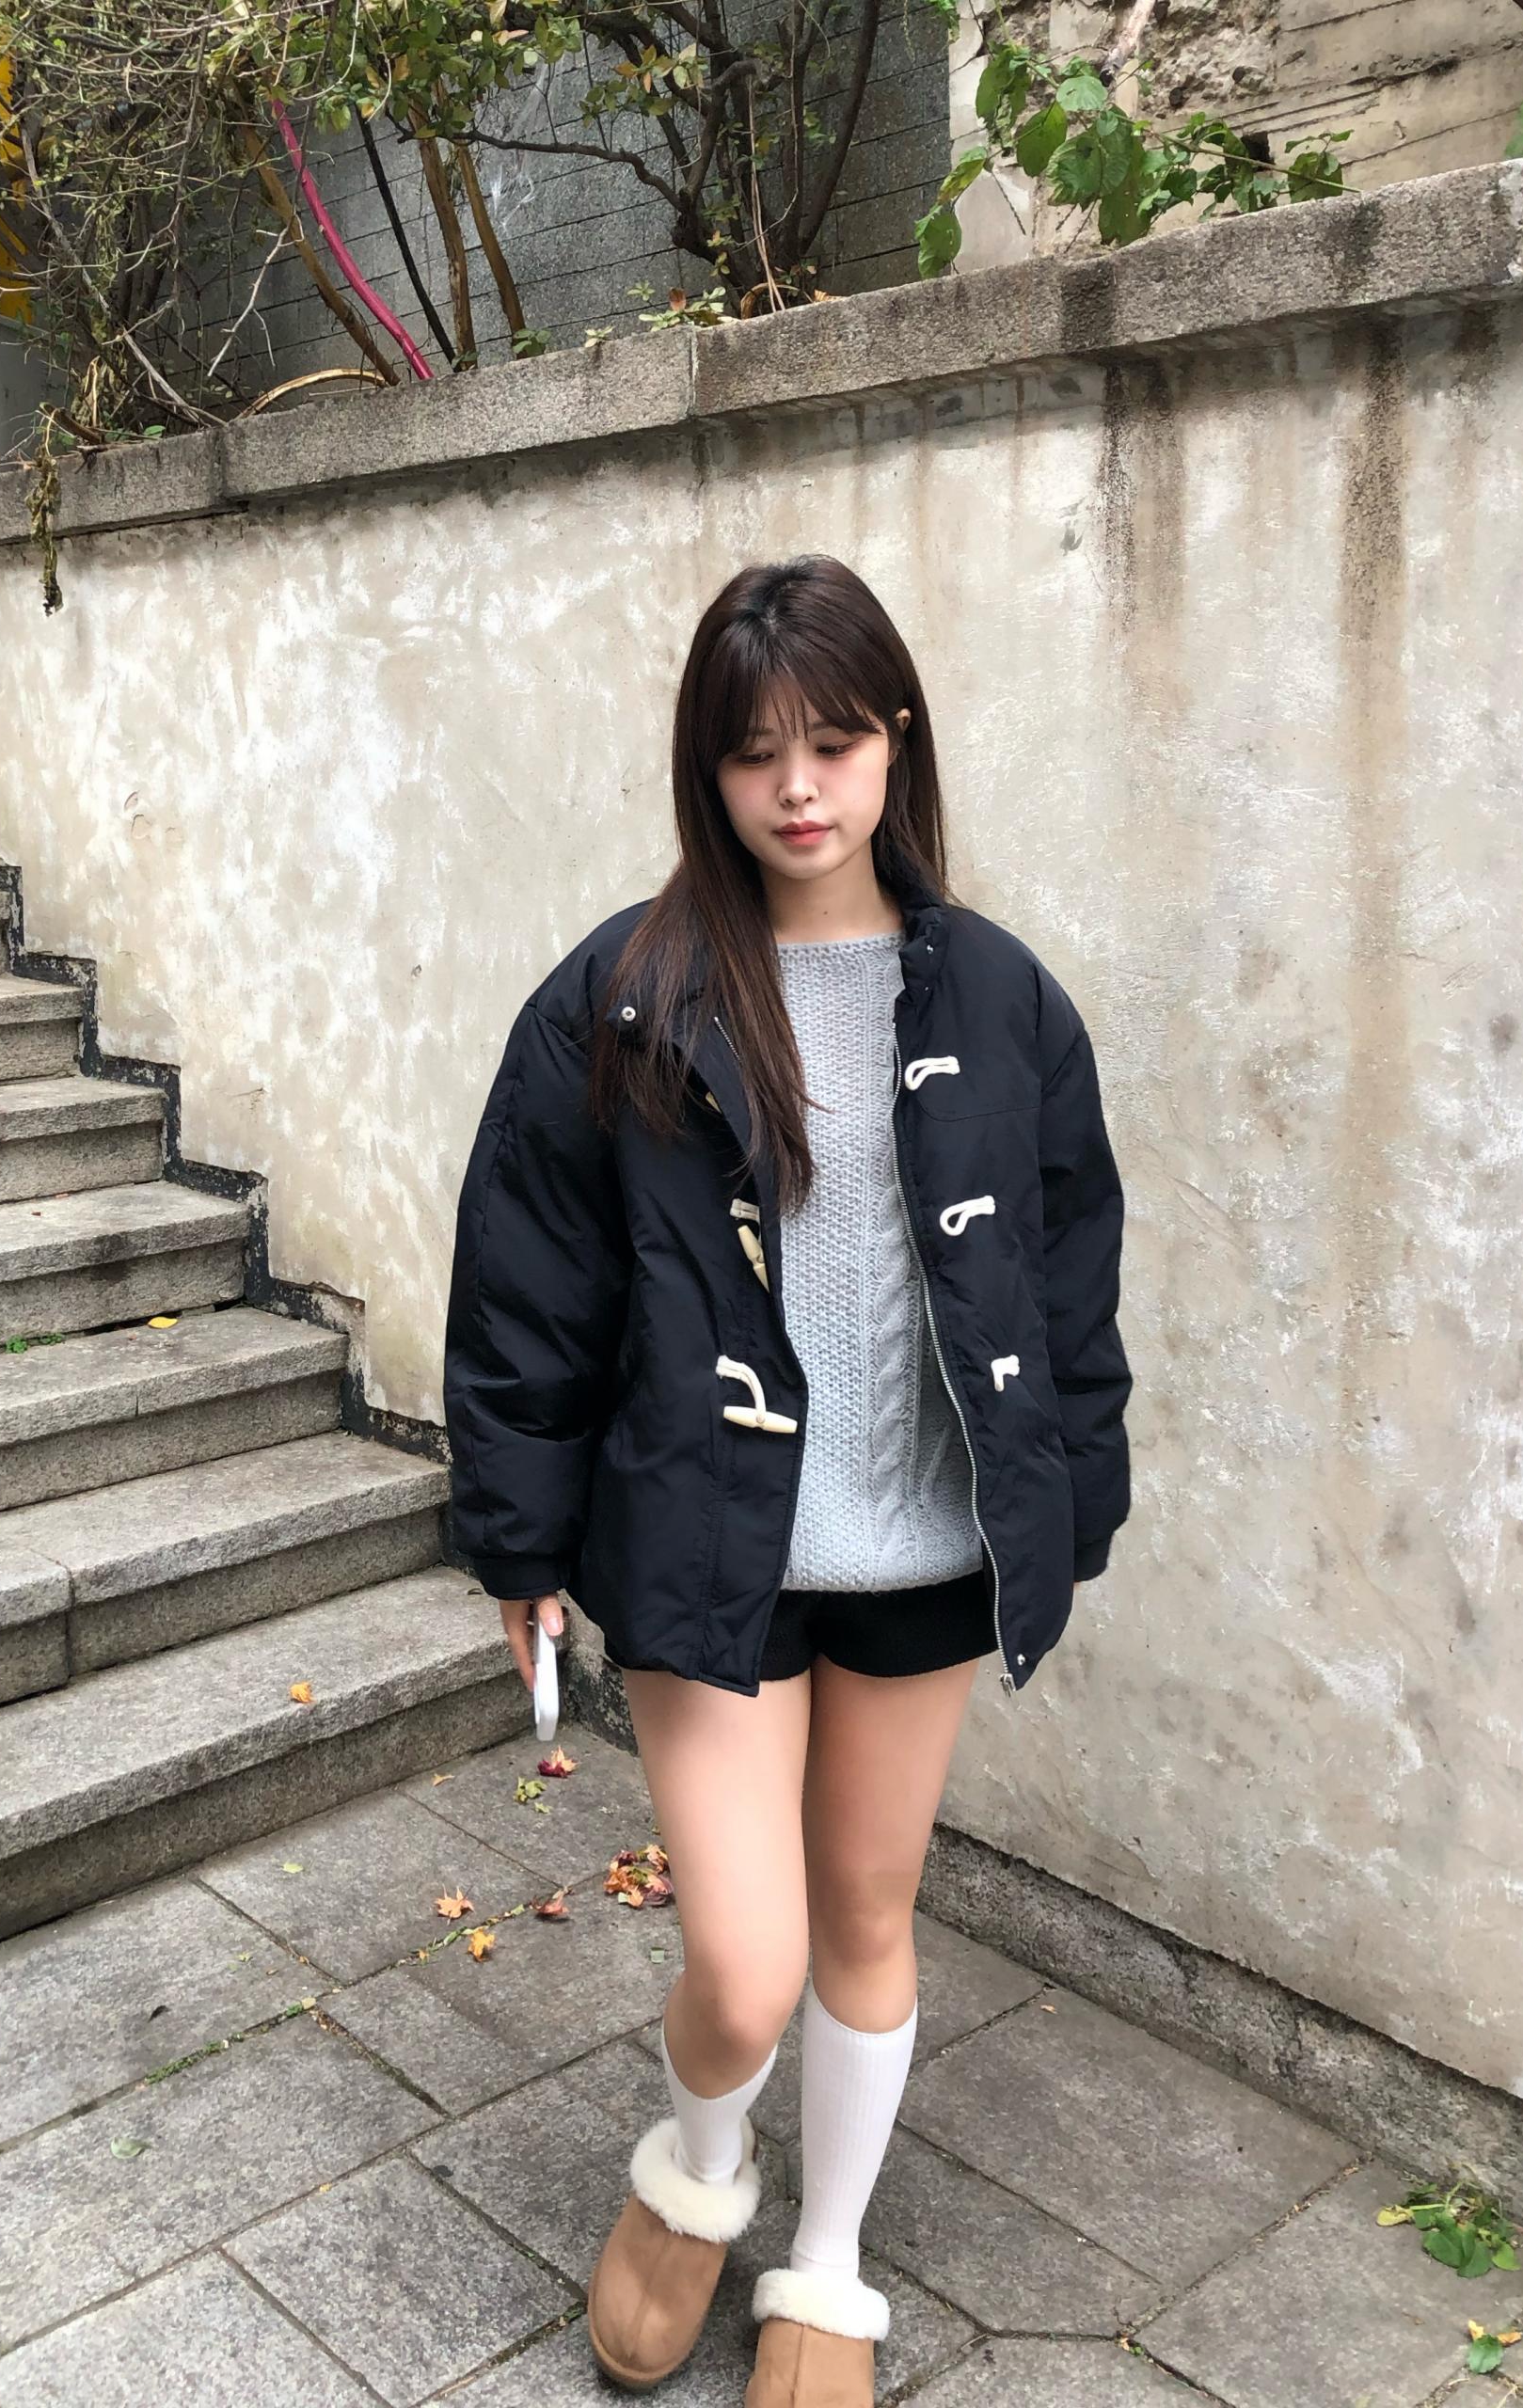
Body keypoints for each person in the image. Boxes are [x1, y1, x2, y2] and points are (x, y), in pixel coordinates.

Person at [441, 554, 1133, 2407]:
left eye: (834, 739)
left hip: (923, 1546)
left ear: (897, 738)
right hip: (707, 1536)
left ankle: (826, 2264)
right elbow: (530, 1285)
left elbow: (1068, 1272)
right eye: (756, 752)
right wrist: (515, 1534)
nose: (800, 786)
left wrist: (1071, 1493)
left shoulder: (1004, 997)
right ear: (709, 769)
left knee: (869, 1917)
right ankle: (697, 2170)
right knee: (745, 1967)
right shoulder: (627, 995)